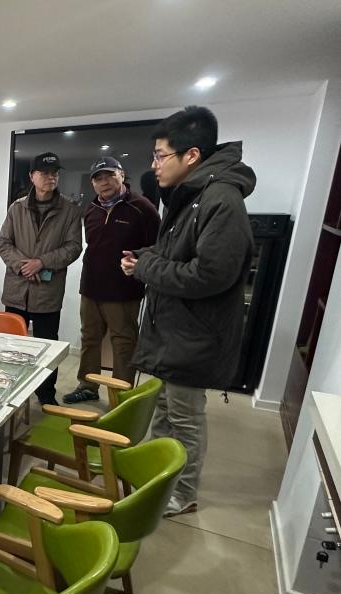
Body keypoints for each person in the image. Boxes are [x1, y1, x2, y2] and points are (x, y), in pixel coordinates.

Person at [121, 106, 255, 516]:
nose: (154, 165)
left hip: (192, 336)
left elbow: (210, 274)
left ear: (192, 155)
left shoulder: (221, 200)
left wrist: (146, 267)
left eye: (161, 155)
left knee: (185, 419)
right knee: (165, 411)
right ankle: (157, 476)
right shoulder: (191, 196)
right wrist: (145, 257)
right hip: (173, 333)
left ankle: (181, 493)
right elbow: (175, 253)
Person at [63, 157, 160, 404]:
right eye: (98, 178)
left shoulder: (142, 208)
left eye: (109, 176)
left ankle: (121, 395)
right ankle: (87, 386)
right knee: (89, 338)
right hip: (91, 287)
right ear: (93, 183)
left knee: (123, 343)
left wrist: (138, 259)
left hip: (124, 290)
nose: (104, 182)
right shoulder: (91, 209)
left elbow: (159, 247)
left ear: (122, 175)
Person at [0, 152, 83, 406]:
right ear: (32, 176)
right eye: (44, 173)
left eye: (55, 173)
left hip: (48, 291)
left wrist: (42, 262)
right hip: (17, 290)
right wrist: (23, 265)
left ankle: (46, 395)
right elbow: (4, 243)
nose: (51, 177)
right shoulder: (17, 207)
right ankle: (11, 392)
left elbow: (73, 247)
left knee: (48, 348)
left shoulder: (69, 209)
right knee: (14, 347)